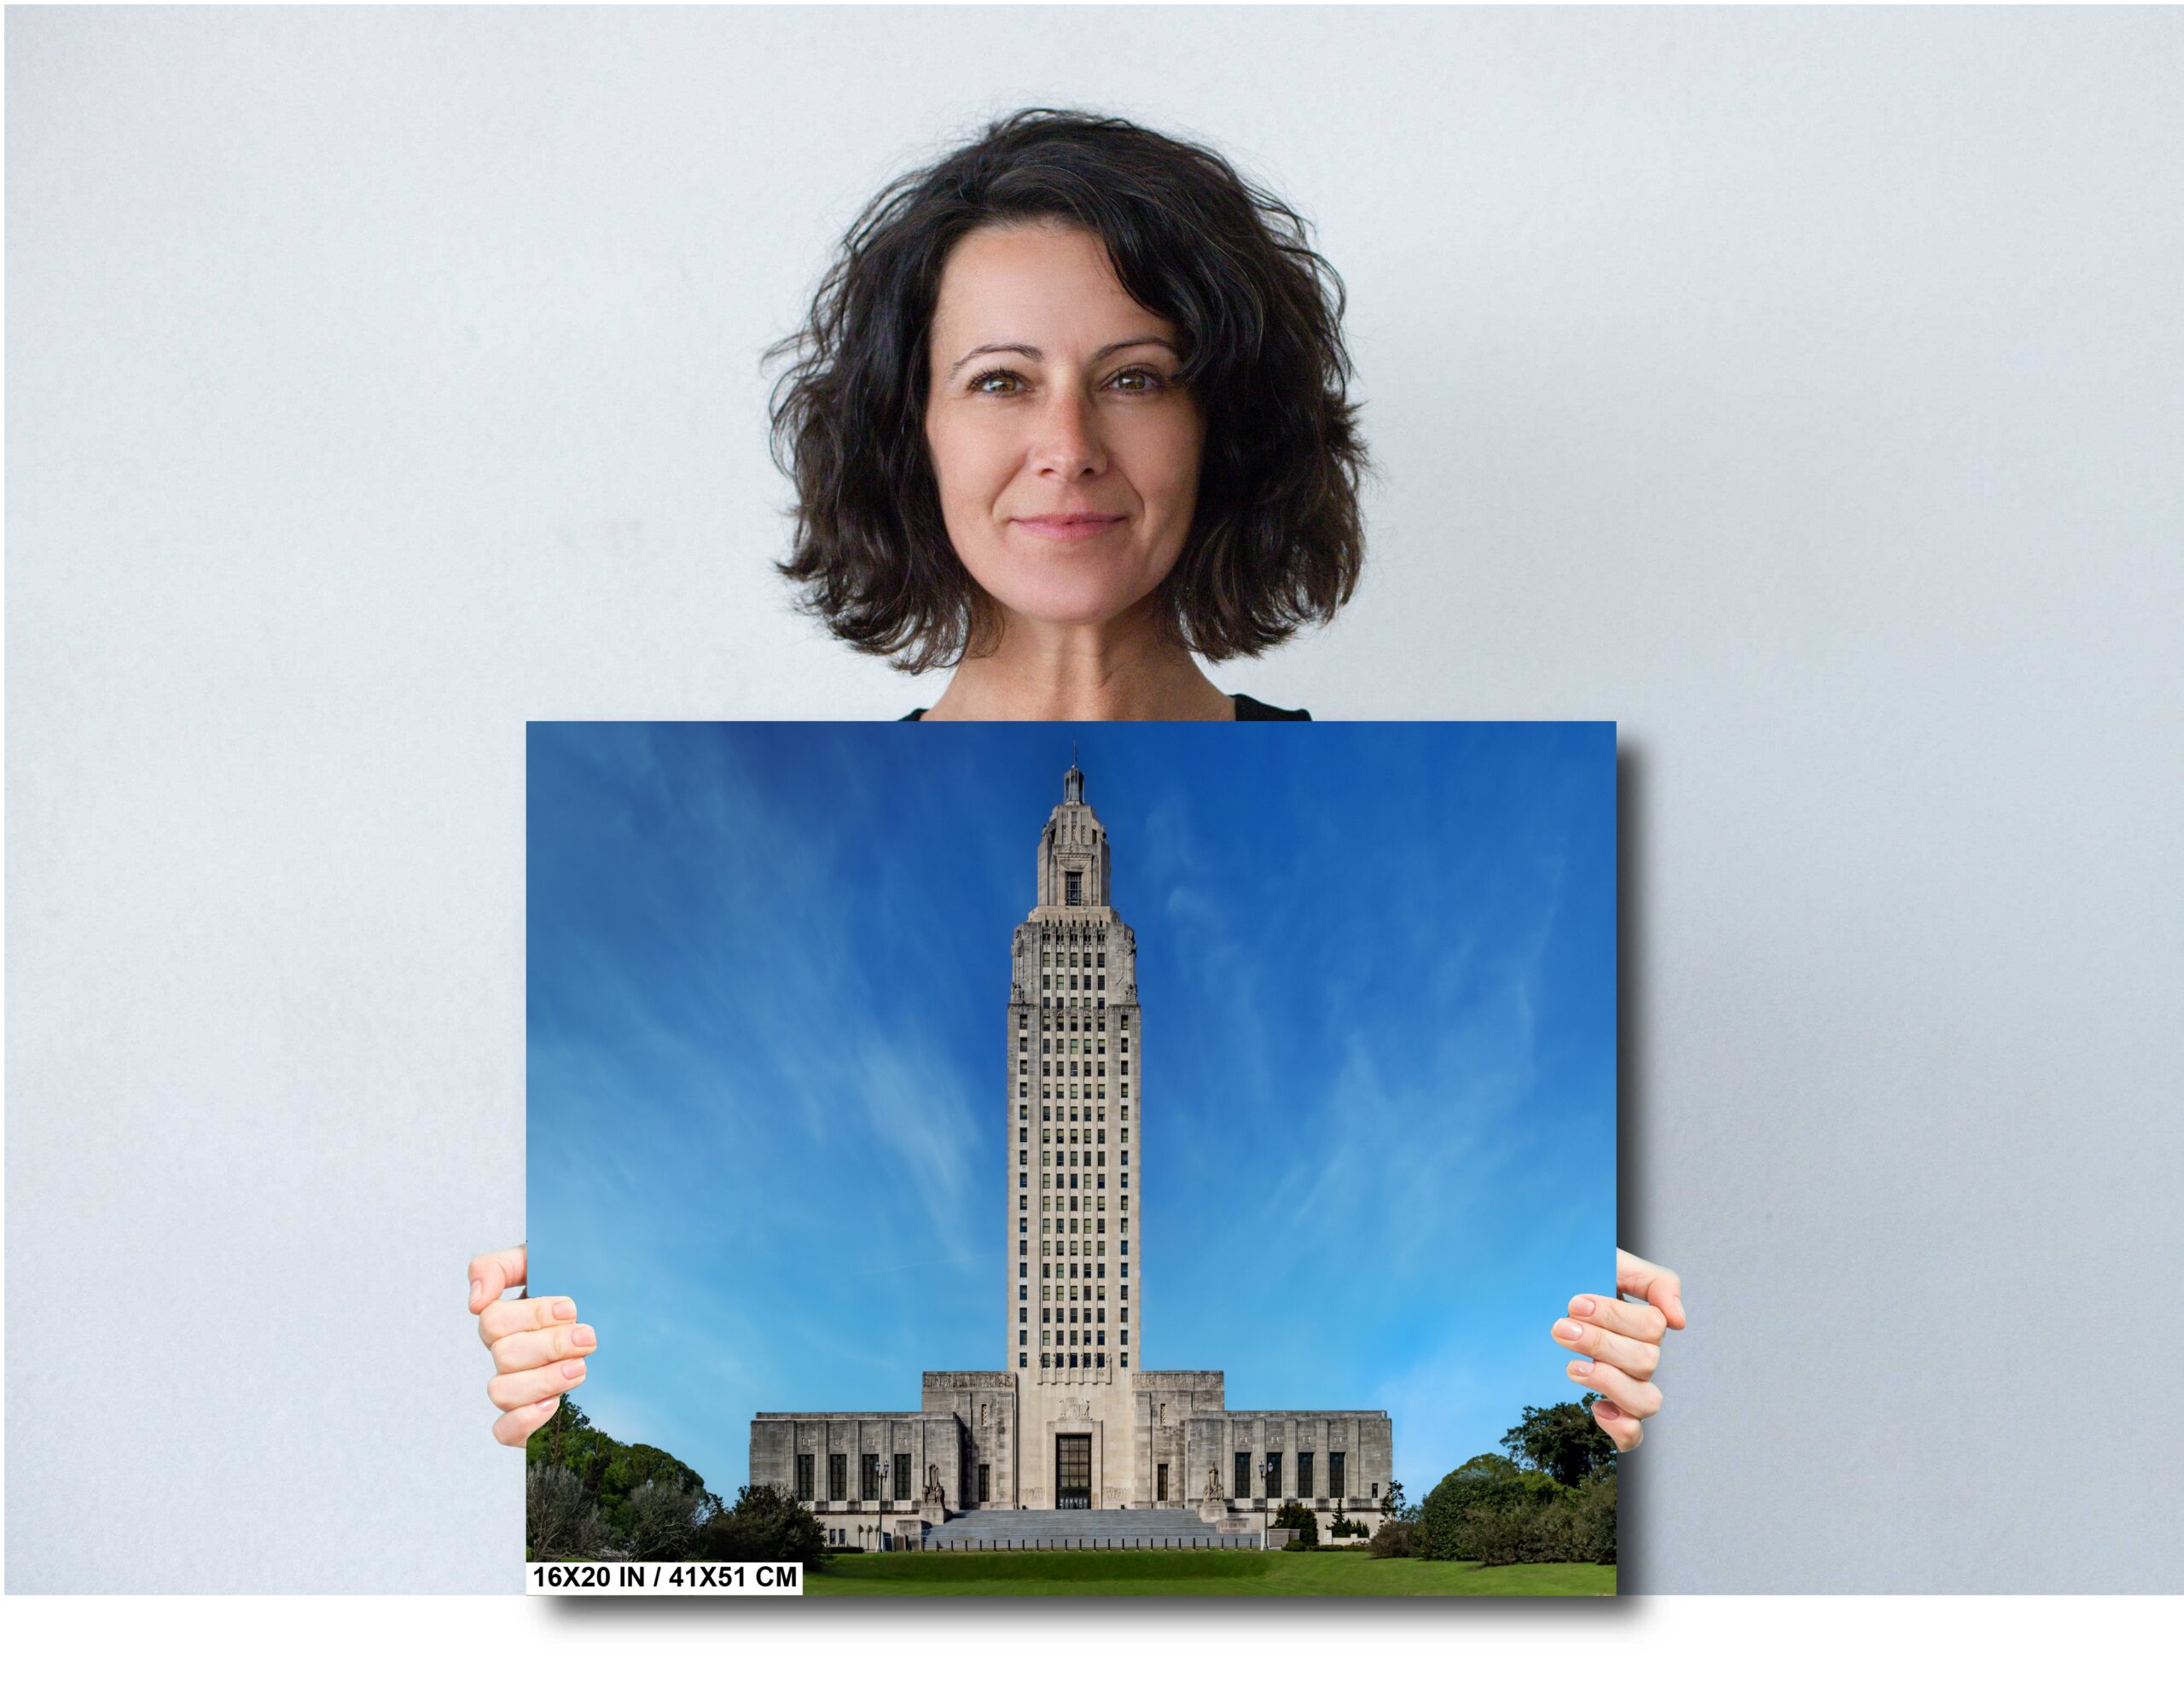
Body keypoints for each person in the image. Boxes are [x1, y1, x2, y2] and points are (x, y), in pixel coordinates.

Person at [471, 107, 1684, 1458]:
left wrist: (1602, 1377)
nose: (1069, 445)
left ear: (1221, 427)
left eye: (1137, 376)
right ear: (911, 430)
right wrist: (557, 1373)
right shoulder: (780, 819)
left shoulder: (1438, 828)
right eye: (999, 380)